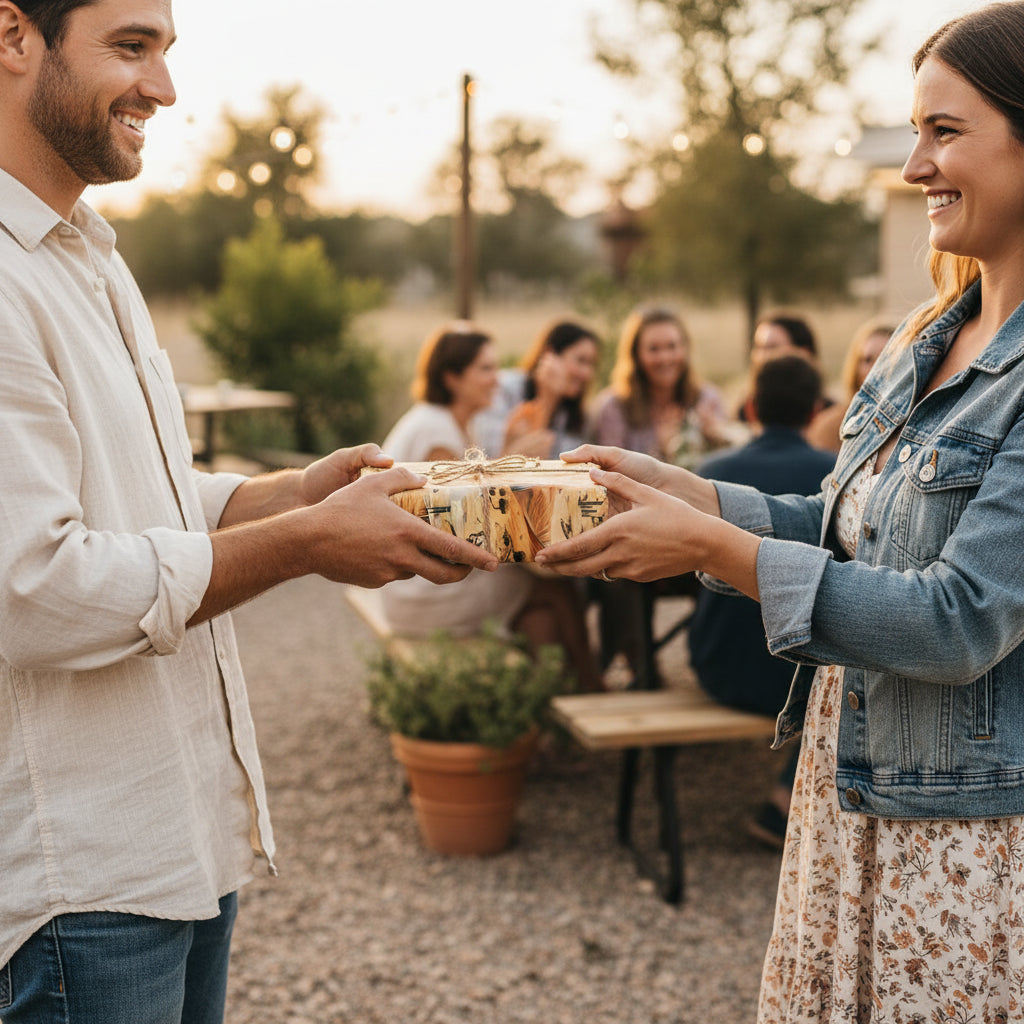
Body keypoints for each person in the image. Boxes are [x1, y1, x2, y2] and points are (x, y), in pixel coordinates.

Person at [0, 3, 496, 1022]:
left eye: (167, 52)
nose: (165, 89)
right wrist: (307, 541)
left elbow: (145, 500)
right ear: (12, 36)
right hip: (76, 885)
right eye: (130, 47)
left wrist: (294, 493)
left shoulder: (88, 251)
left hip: (180, 836)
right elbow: (35, 586)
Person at [536, 5, 1024, 1018]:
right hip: (843, 797)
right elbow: (848, 525)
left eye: (944, 131)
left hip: (965, 843)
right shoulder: (927, 335)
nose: (912, 167)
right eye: (915, 133)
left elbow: (958, 617)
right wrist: (694, 492)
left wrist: (715, 547)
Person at [378, 322, 601, 689]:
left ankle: (556, 699)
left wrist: (507, 456)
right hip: (422, 591)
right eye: (485, 369)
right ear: (452, 377)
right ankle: (589, 684)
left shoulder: (456, 423)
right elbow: (461, 532)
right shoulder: (437, 435)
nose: (497, 381)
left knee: (540, 606)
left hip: (424, 580)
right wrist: (509, 461)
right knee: (554, 588)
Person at [688, 355, 836, 848]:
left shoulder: (712, 475)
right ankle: (782, 802)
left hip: (719, 671)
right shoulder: (836, 478)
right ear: (816, 410)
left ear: (750, 406)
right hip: (793, 681)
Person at [592, 305, 729, 469]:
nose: (664, 358)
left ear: (685, 348)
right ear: (636, 354)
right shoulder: (614, 407)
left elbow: (728, 467)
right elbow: (610, 474)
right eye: (654, 349)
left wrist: (718, 437)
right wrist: (660, 450)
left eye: (672, 346)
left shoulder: (708, 399)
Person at [473, 320, 600, 459]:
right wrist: (546, 398)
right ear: (550, 355)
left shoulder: (577, 415)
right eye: (581, 360)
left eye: (591, 364)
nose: (587, 373)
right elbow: (495, 457)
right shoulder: (504, 388)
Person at [804, 317, 896, 452]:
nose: (876, 368)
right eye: (867, 359)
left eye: (886, 359)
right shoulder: (830, 425)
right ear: (855, 366)